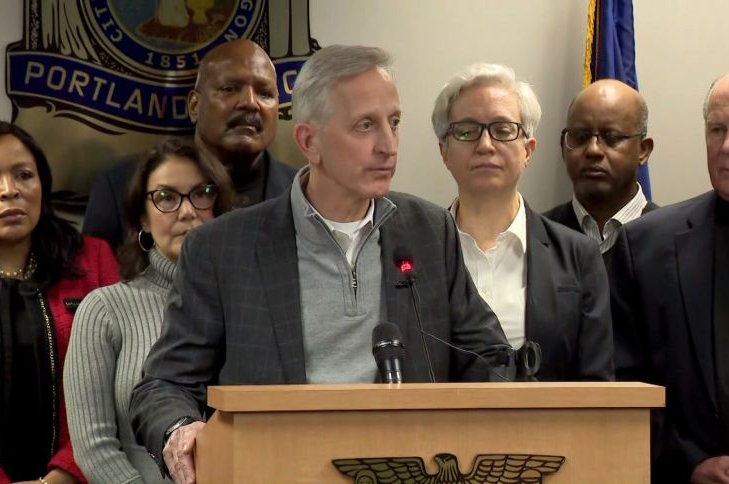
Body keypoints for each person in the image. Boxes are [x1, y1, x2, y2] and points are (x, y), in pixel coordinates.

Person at [130, 45, 510, 484]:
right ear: (310, 141)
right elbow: (164, 386)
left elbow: (489, 358)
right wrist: (181, 430)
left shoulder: (429, 230)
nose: (388, 145)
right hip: (278, 471)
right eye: (365, 125)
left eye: (395, 122)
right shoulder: (222, 249)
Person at [611, 66, 729, 482]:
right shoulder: (646, 247)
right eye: (715, 130)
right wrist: (686, 464)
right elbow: (619, 385)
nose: (728, 146)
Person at [0, 120, 120, 483]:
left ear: (42, 186)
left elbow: (117, 383)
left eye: (24, 175)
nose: (9, 191)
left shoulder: (93, 260)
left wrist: (66, 474)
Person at [64, 138, 233, 483]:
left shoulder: (250, 304)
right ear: (142, 217)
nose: (187, 211)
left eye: (202, 193)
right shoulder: (104, 310)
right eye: (166, 197)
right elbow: (94, 447)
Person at [431, 63, 613, 381]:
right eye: (466, 131)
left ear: (527, 150)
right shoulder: (417, 254)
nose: (485, 145)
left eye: (503, 130)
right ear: (444, 152)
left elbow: (596, 386)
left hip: (552, 430)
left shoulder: (578, 255)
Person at [83, 39, 297, 250]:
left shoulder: (306, 194)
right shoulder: (119, 188)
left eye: (265, 93)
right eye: (230, 88)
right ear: (195, 106)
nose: (250, 103)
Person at [544, 79, 656, 269]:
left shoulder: (672, 240)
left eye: (611, 137)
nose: (593, 150)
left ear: (643, 150)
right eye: (580, 136)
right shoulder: (536, 236)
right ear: (563, 146)